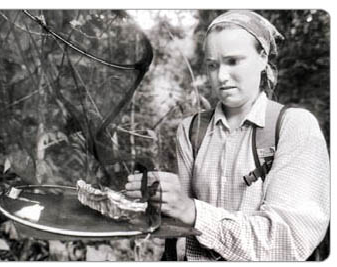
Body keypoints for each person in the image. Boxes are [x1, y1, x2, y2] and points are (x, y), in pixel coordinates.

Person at [126, 10, 330, 261]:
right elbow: (180, 224)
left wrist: (194, 211)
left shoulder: (294, 127)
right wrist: (154, 203)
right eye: (213, 65)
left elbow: (287, 241)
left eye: (233, 61)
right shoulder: (191, 130)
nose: (221, 77)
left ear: (262, 58)